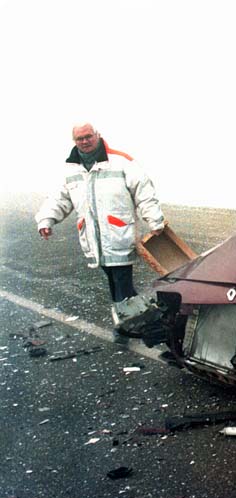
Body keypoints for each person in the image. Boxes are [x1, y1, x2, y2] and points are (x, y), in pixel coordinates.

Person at [35, 123, 165, 342]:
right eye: (80, 138)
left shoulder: (121, 162)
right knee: (114, 281)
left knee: (121, 281)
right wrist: (46, 219)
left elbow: (144, 191)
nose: (85, 141)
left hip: (118, 235)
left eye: (88, 136)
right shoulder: (71, 170)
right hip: (93, 240)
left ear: (97, 135)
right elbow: (60, 199)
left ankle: (136, 323)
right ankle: (138, 319)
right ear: (74, 141)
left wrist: (155, 220)